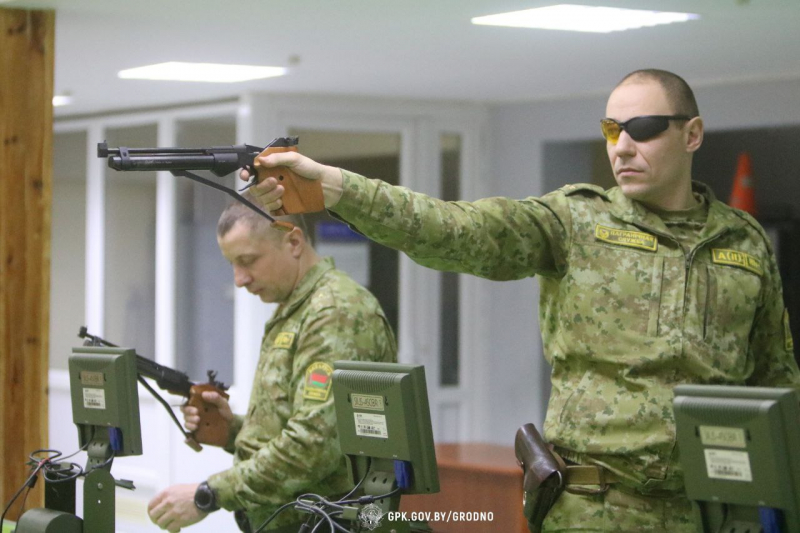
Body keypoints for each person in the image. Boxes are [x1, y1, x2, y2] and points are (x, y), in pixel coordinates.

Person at [244, 69, 800, 531]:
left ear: (693, 134)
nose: (622, 146)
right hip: (595, 508)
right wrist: (336, 187)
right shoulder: (575, 221)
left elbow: (777, 385)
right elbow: (454, 229)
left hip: (717, 513)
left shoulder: (743, 241)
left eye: (644, 128)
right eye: (611, 130)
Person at [147, 204, 398, 532]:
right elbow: (302, 424)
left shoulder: (335, 312)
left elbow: (313, 446)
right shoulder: (296, 307)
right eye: (232, 264)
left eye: (248, 261)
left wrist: (208, 494)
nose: (239, 280)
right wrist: (234, 429)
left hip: (327, 522)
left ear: (293, 243)